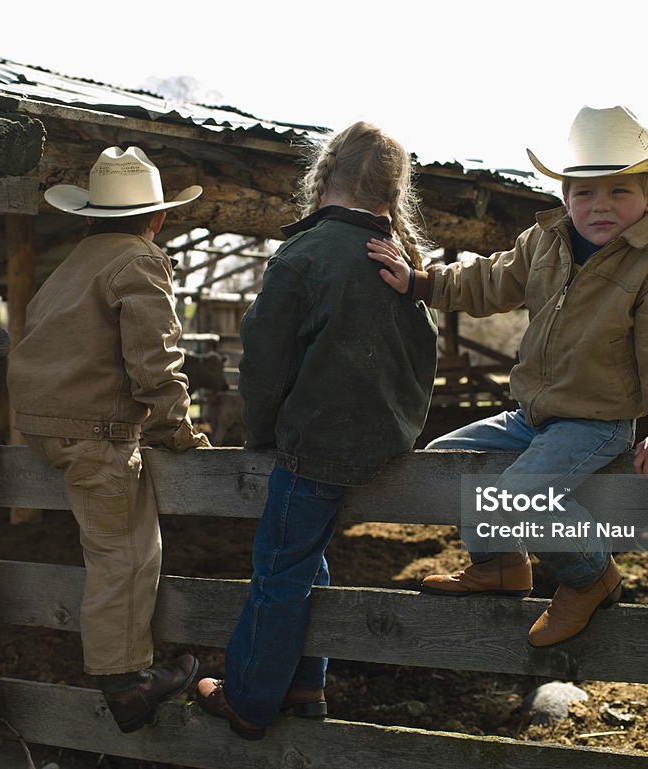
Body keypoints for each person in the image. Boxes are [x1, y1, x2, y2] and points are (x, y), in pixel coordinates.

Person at [367, 106, 648, 647]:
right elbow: (488, 280)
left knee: (520, 498)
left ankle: (591, 575)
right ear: (564, 197)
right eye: (584, 193)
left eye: (618, 192)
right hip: (533, 414)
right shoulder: (547, 241)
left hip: (596, 420)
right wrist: (421, 283)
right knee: (448, 461)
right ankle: (501, 564)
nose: (599, 206)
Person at [196, 121, 438, 739]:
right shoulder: (398, 259)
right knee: (308, 559)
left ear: (323, 175)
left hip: (315, 445)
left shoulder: (304, 255)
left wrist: (262, 431)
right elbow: (422, 352)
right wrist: (401, 423)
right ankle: (305, 685)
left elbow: (264, 359)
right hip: (383, 441)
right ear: (392, 190)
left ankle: (249, 698)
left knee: (279, 570)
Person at [7, 146, 211, 732]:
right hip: (97, 430)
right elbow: (155, 357)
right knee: (124, 555)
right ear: (158, 217)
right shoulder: (140, 261)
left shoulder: (74, 262)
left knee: (115, 544)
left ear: (91, 214)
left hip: (48, 424)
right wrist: (178, 429)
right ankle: (126, 684)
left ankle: (126, 672)